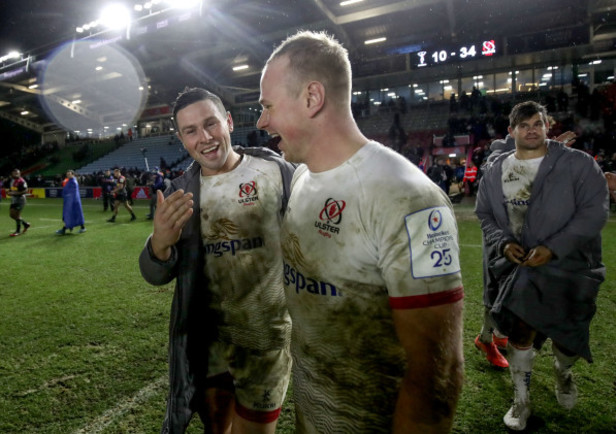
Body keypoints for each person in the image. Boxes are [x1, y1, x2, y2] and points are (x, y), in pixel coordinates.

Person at [257, 30, 464, 433]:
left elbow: (437, 373)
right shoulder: (302, 179)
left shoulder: (408, 198)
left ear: (312, 98)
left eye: (267, 107)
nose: (262, 121)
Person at [139, 87, 295, 433]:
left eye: (211, 124)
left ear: (228, 121)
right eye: (191, 131)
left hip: (265, 340)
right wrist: (160, 244)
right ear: (181, 139)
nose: (205, 138)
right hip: (209, 344)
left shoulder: (276, 172)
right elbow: (154, 273)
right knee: (216, 427)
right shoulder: (183, 192)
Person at [475, 101, 608, 431]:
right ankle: (521, 401)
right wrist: (504, 244)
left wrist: (554, 248)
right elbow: (486, 215)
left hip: (571, 265)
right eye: (523, 125)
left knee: (567, 338)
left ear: (548, 126)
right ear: (512, 132)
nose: (531, 130)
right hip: (521, 266)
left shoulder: (577, 164)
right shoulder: (497, 170)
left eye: (537, 123)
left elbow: (594, 211)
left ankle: (563, 372)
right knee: (521, 332)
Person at [474, 129, 578, 369]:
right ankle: (486, 339)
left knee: (516, 289)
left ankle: (497, 335)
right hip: (501, 236)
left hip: (526, 233)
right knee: (497, 289)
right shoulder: (500, 150)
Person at [56, 170, 86, 234]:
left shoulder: (73, 182)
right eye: (67, 174)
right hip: (71, 201)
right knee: (75, 215)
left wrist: (68, 197)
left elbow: (72, 192)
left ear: (73, 174)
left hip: (72, 201)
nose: (68, 175)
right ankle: (81, 227)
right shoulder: (70, 181)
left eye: (69, 174)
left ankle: (64, 229)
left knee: (69, 215)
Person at [7, 168, 31, 237]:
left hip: (20, 200)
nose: (16, 174)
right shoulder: (12, 181)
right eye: (15, 173)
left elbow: (25, 191)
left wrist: (15, 193)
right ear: (12, 174)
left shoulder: (21, 181)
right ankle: (25, 224)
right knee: (12, 215)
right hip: (14, 200)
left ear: (20, 173)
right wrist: (9, 192)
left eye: (18, 173)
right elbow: (12, 189)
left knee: (16, 215)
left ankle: (18, 231)